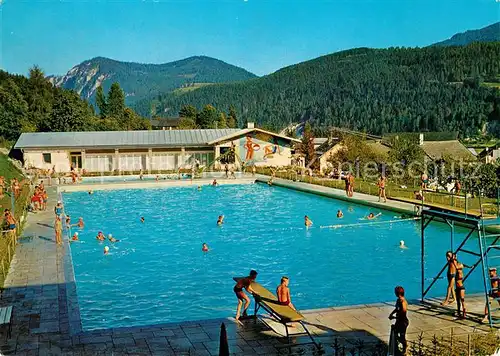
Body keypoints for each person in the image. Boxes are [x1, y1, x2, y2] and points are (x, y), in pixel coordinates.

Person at [388, 286, 409, 355]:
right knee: (395, 334)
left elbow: (404, 310)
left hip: (403, 322)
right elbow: (397, 309)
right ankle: (399, 346)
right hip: (398, 321)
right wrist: (392, 314)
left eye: (395, 292)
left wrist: (398, 315)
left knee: (402, 336)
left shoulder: (403, 301)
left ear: (398, 293)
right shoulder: (398, 300)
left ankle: (405, 346)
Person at [454, 255, 468, 319]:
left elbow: (458, 266)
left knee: (462, 301)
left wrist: (454, 261)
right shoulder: (456, 270)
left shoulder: (459, 270)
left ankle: (464, 314)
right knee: (458, 301)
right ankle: (459, 312)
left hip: (461, 287)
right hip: (457, 287)